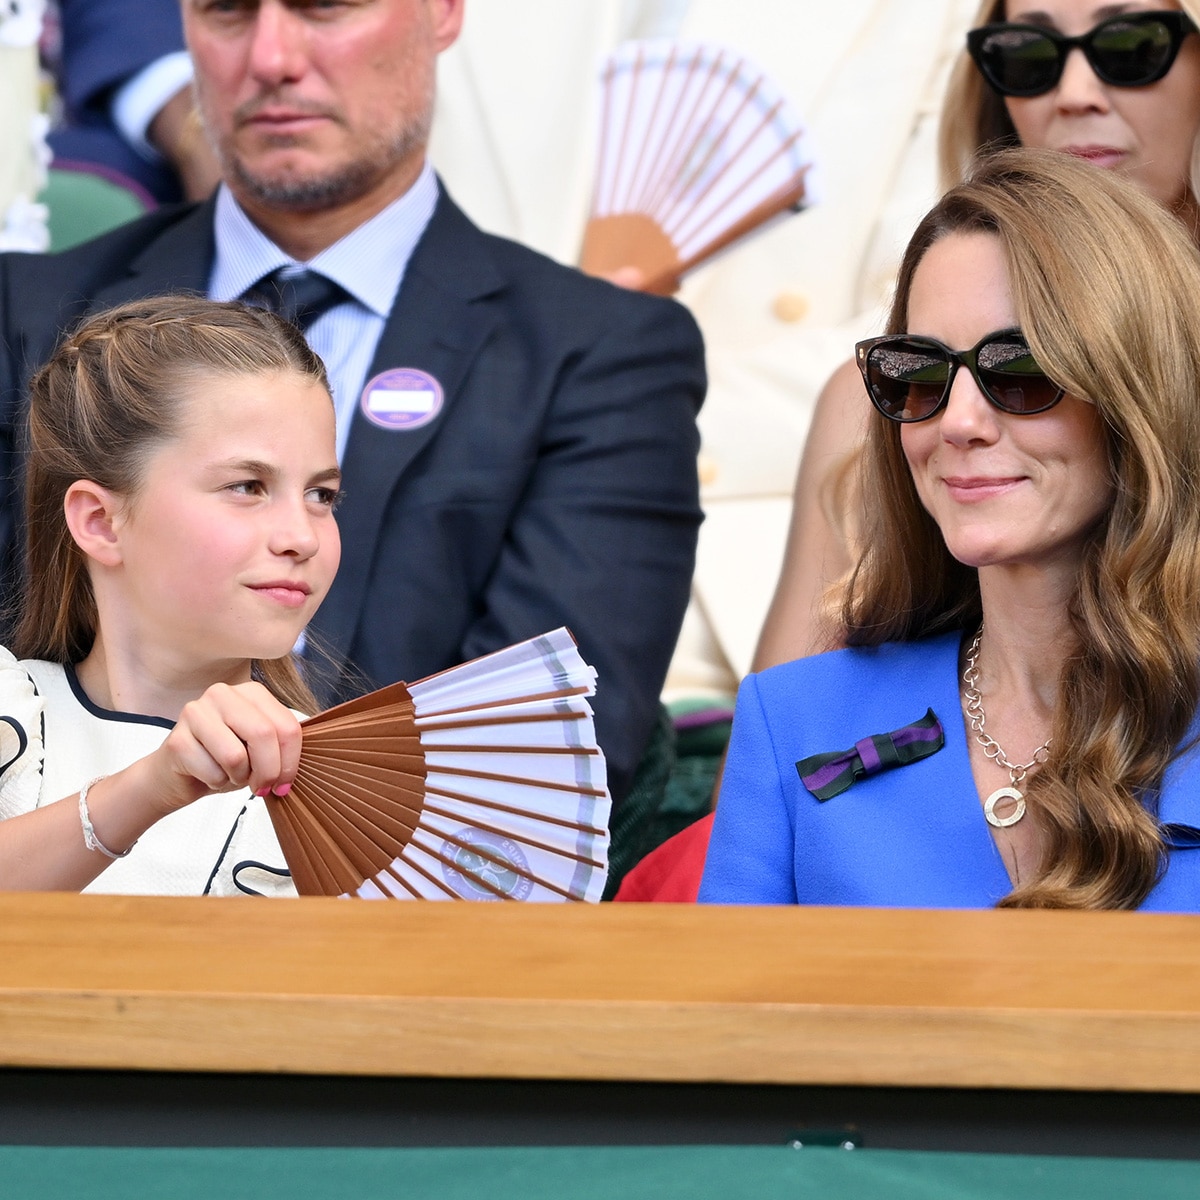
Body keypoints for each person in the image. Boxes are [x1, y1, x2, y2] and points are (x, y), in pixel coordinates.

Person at [0, 0, 705, 816]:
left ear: (442, 14)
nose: (270, 56)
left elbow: (536, 759)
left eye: (323, 6)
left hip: (391, 917)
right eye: (226, 10)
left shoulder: (601, 353)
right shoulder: (28, 314)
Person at [700, 148, 1200, 911]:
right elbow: (724, 1027)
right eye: (920, 373)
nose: (958, 422)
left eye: (1021, 369)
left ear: (1139, 392)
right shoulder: (793, 718)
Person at [755, 0, 1200, 668]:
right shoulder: (875, 401)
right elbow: (780, 748)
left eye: (1132, 44)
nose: (1073, 94)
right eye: (1027, 54)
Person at [0, 297, 340, 894]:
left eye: (322, 495)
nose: (302, 537)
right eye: (247, 486)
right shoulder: (13, 710)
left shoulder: (359, 788)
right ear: (101, 522)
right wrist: (150, 787)